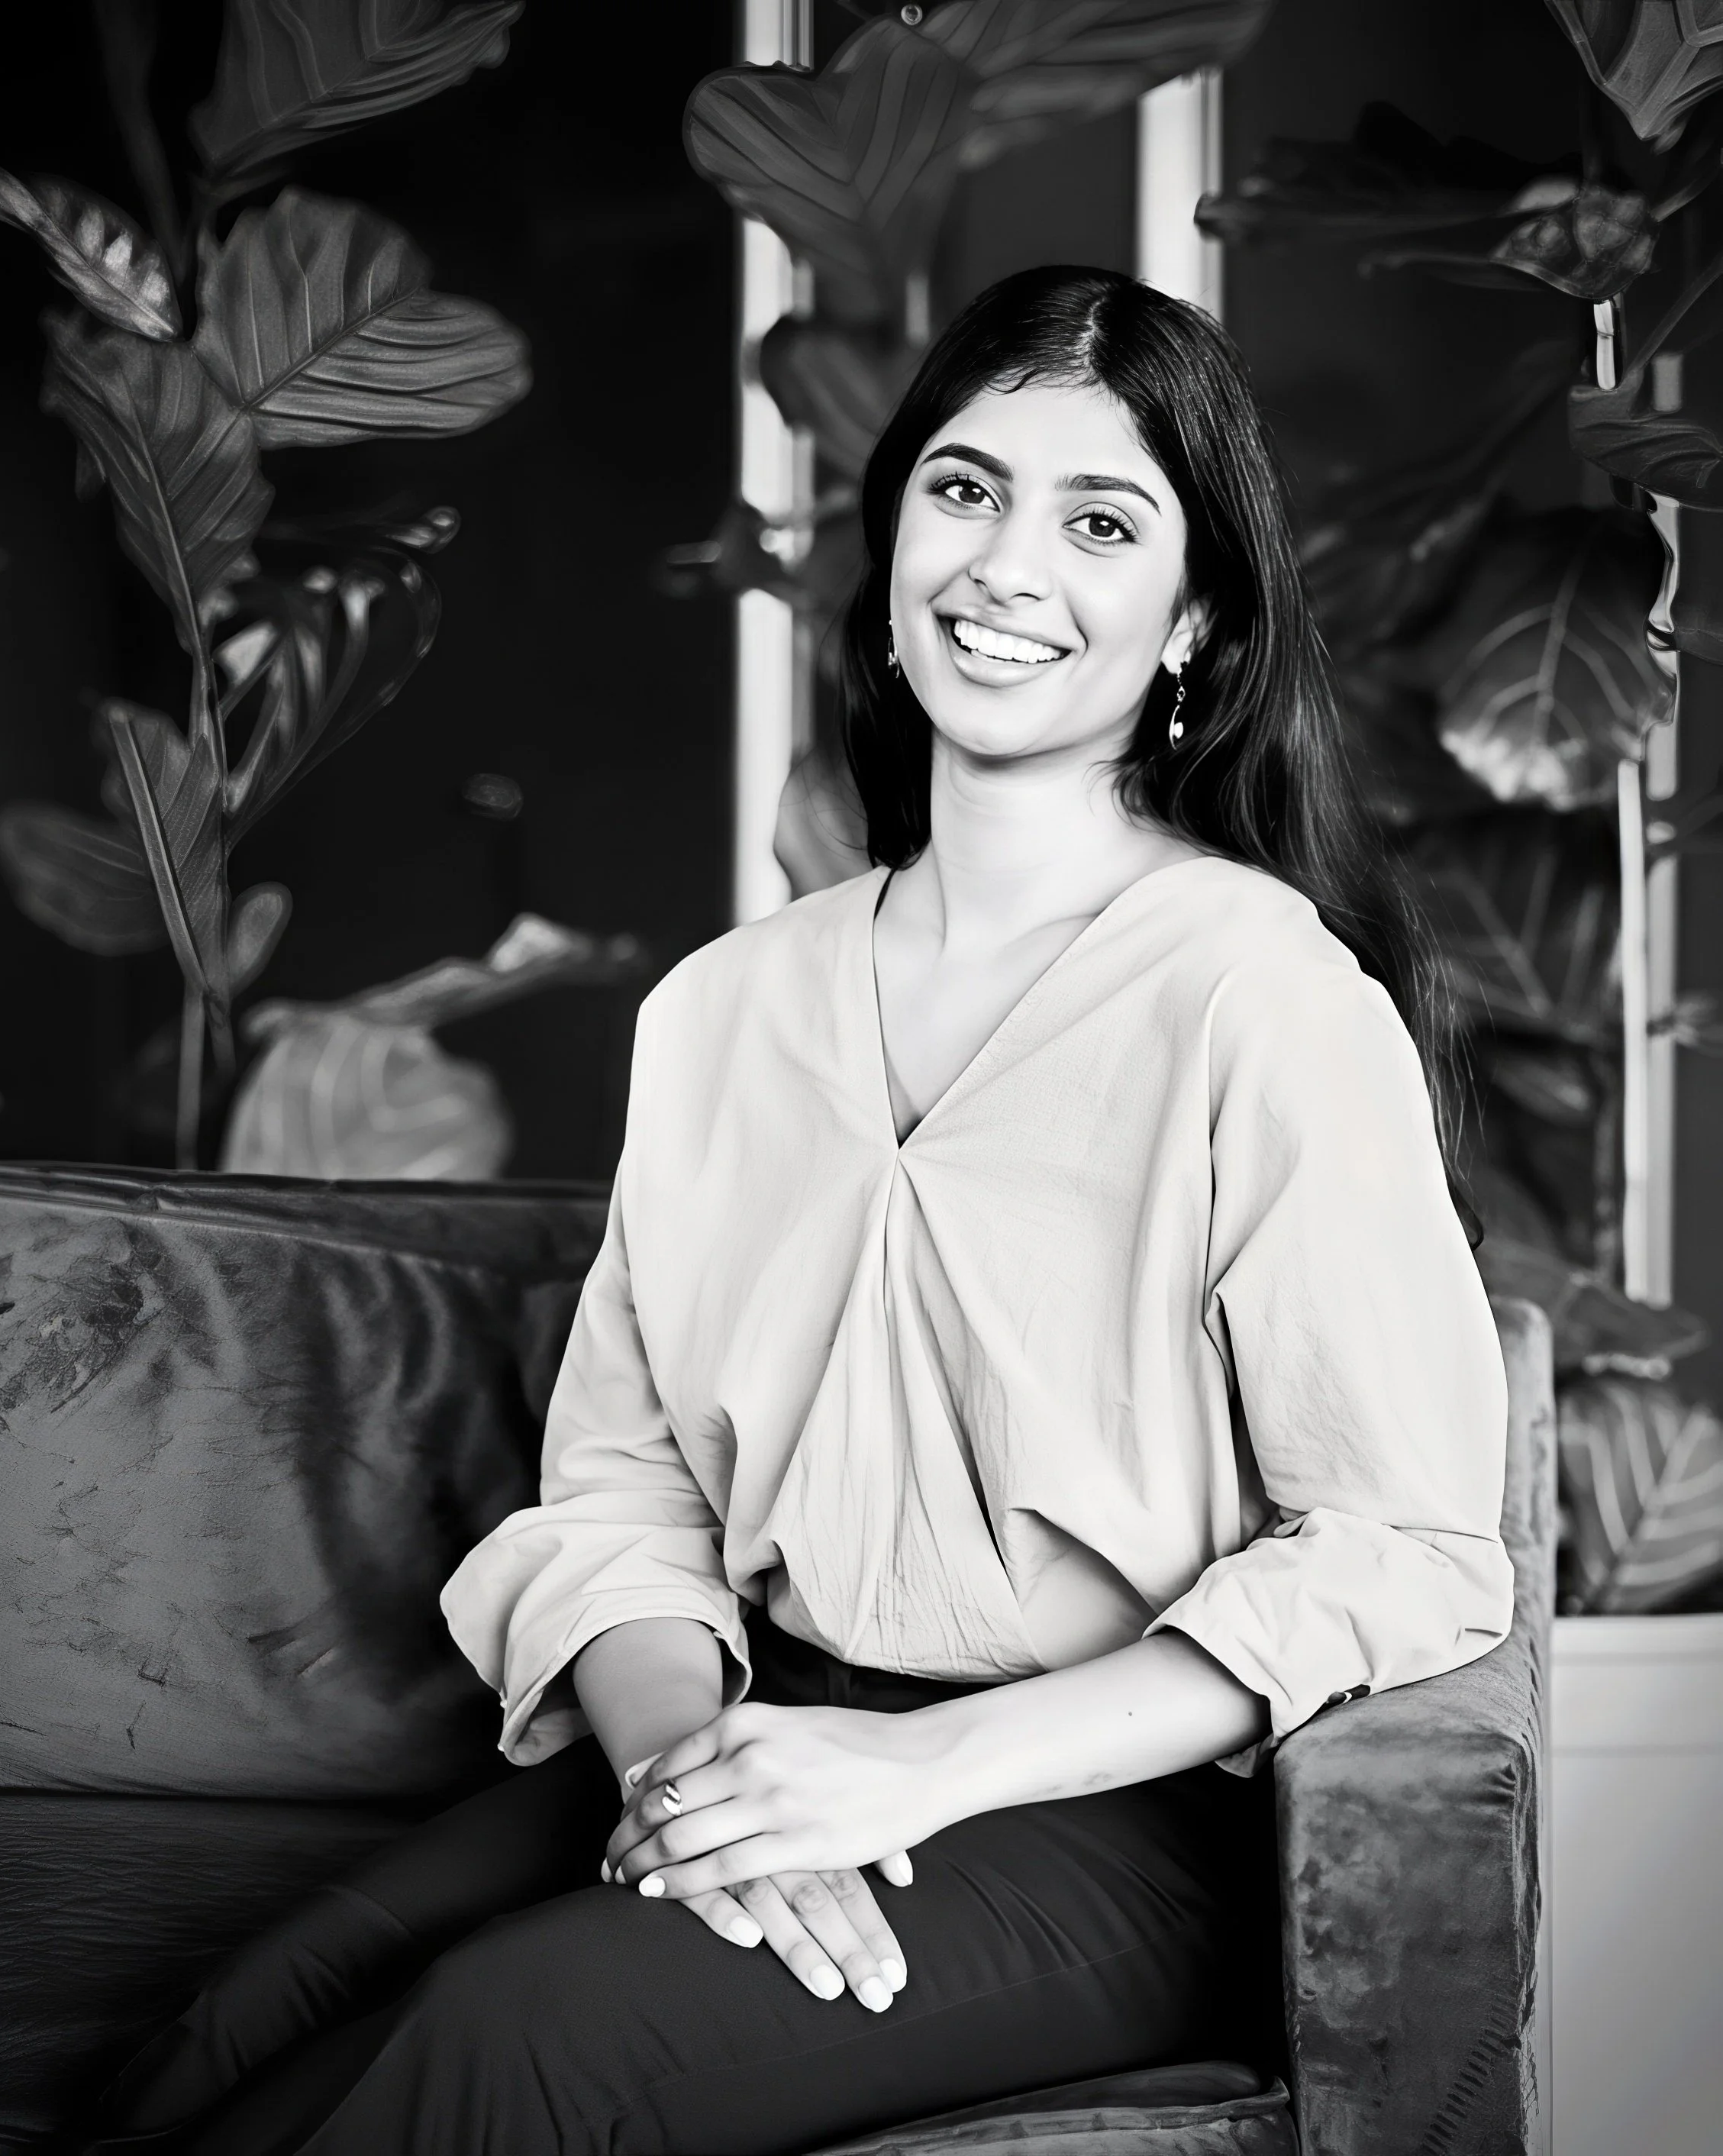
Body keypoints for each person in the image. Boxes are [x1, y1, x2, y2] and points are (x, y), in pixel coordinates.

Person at [86, 266, 1513, 2156]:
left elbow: (1406, 1541)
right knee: (238, 2011)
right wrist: (705, 1780)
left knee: (514, 2040)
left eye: (1102, 523)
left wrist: (913, 1775)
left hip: (1101, 1802)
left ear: (1196, 625)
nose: (1008, 564)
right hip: (763, 1719)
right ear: (897, 530)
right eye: (965, 487)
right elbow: (624, 1499)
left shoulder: (1259, 996)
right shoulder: (727, 1010)